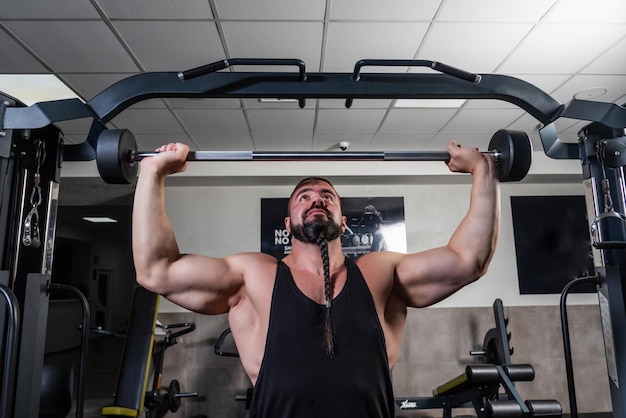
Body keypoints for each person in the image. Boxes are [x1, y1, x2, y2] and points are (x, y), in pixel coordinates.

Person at [132, 141, 500, 418]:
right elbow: (156, 270)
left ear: (343, 222)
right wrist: (152, 172)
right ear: (288, 223)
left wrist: (484, 171)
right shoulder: (253, 276)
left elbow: (469, 260)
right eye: (303, 197)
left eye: (327, 196)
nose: (316, 200)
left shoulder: (380, 273)